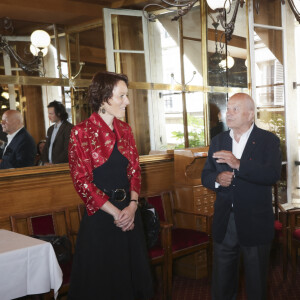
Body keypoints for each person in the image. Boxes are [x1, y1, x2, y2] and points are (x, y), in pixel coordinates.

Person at [68, 71, 154, 300]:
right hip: (101, 217)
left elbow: (135, 172)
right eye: (122, 96)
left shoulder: (125, 130)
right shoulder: (81, 132)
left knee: (133, 280)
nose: (127, 101)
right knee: (103, 285)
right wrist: (117, 213)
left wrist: (133, 206)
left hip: (129, 214)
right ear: (105, 98)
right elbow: (81, 182)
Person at [201, 93, 282, 300]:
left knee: (256, 284)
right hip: (225, 221)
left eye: (235, 109)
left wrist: (239, 164)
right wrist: (218, 178)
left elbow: (272, 175)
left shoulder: (268, 140)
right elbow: (206, 175)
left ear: (250, 114)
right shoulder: (218, 140)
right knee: (222, 284)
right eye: (228, 108)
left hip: (255, 222)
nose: (228, 113)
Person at [41, 100, 73, 164]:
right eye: (48, 113)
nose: (49, 116)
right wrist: (45, 162)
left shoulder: (69, 128)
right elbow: (46, 147)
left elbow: (68, 150)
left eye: (51, 114)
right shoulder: (50, 129)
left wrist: (54, 164)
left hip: (61, 166)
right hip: (49, 166)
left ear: (59, 113)